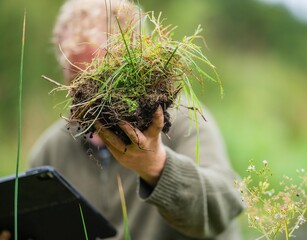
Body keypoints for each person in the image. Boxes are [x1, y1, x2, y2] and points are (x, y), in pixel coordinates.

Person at [4, 0, 243, 239]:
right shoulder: (51, 152)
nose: (91, 102)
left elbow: (224, 208)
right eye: (78, 85)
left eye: (100, 80)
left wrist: (156, 166)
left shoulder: (183, 123)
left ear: (137, 68)